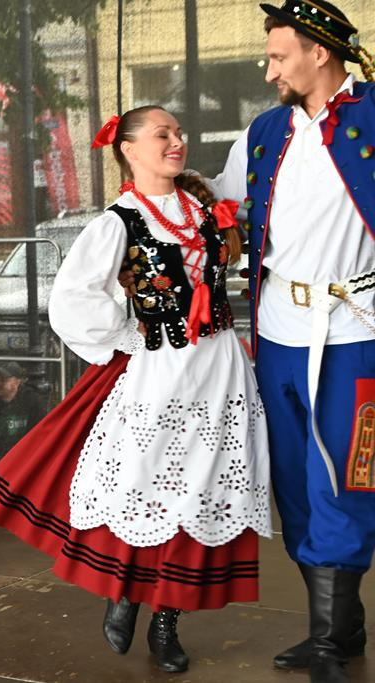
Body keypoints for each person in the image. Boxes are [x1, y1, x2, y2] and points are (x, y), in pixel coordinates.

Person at [0, 106, 271, 674]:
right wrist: (129, 333)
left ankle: (166, 622)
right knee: (146, 483)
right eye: (163, 134)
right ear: (130, 149)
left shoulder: (204, 205)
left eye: (179, 133)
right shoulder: (119, 221)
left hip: (219, 370)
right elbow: (73, 299)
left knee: (199, 491)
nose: (177, 141)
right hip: (159, 371)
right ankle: (126, 590)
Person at [209, 3, 375, 680]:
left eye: (279, 56)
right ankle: (339, 627)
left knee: (344, 476)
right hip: (276, 327)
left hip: (354, 326)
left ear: (321, 55)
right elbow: (221, 202)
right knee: (297, 484)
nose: (269, 68)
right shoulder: (264, 129)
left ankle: (331, 642)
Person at [0, 362, 45, 460]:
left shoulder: (34, 402)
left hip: (27, 458)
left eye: (3, 380)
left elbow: (40, 436)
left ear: (17, 382)